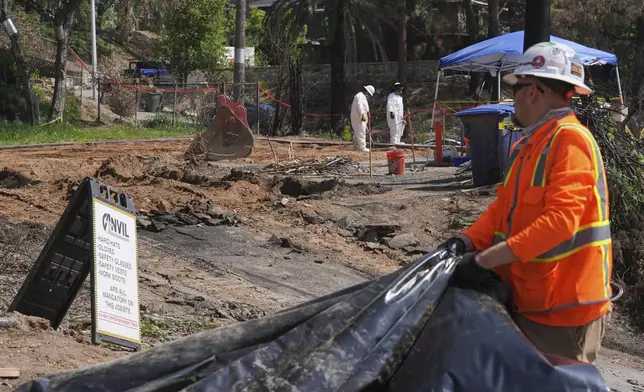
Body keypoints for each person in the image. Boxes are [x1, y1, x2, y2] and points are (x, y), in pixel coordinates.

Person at [440, 42, 612, 364]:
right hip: (531, 302)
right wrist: (464, 241)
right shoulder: (528, 145)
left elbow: (561, 223)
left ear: (532, 91)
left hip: (565, 312)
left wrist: (484, 261)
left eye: (515, 89)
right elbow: (500, 212)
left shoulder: (570, 141)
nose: (512, 99)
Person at [350, 85, 375, 152]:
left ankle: (356, 145)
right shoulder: (360, 96)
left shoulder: (362, 96)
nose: (369, 96)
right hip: (359, 117)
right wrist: (362, 115)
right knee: (361, 132)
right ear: (367, 92)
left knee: (358, 131)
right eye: (369, 95)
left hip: (359, 117)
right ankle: (362, 147)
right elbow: (360, 106)